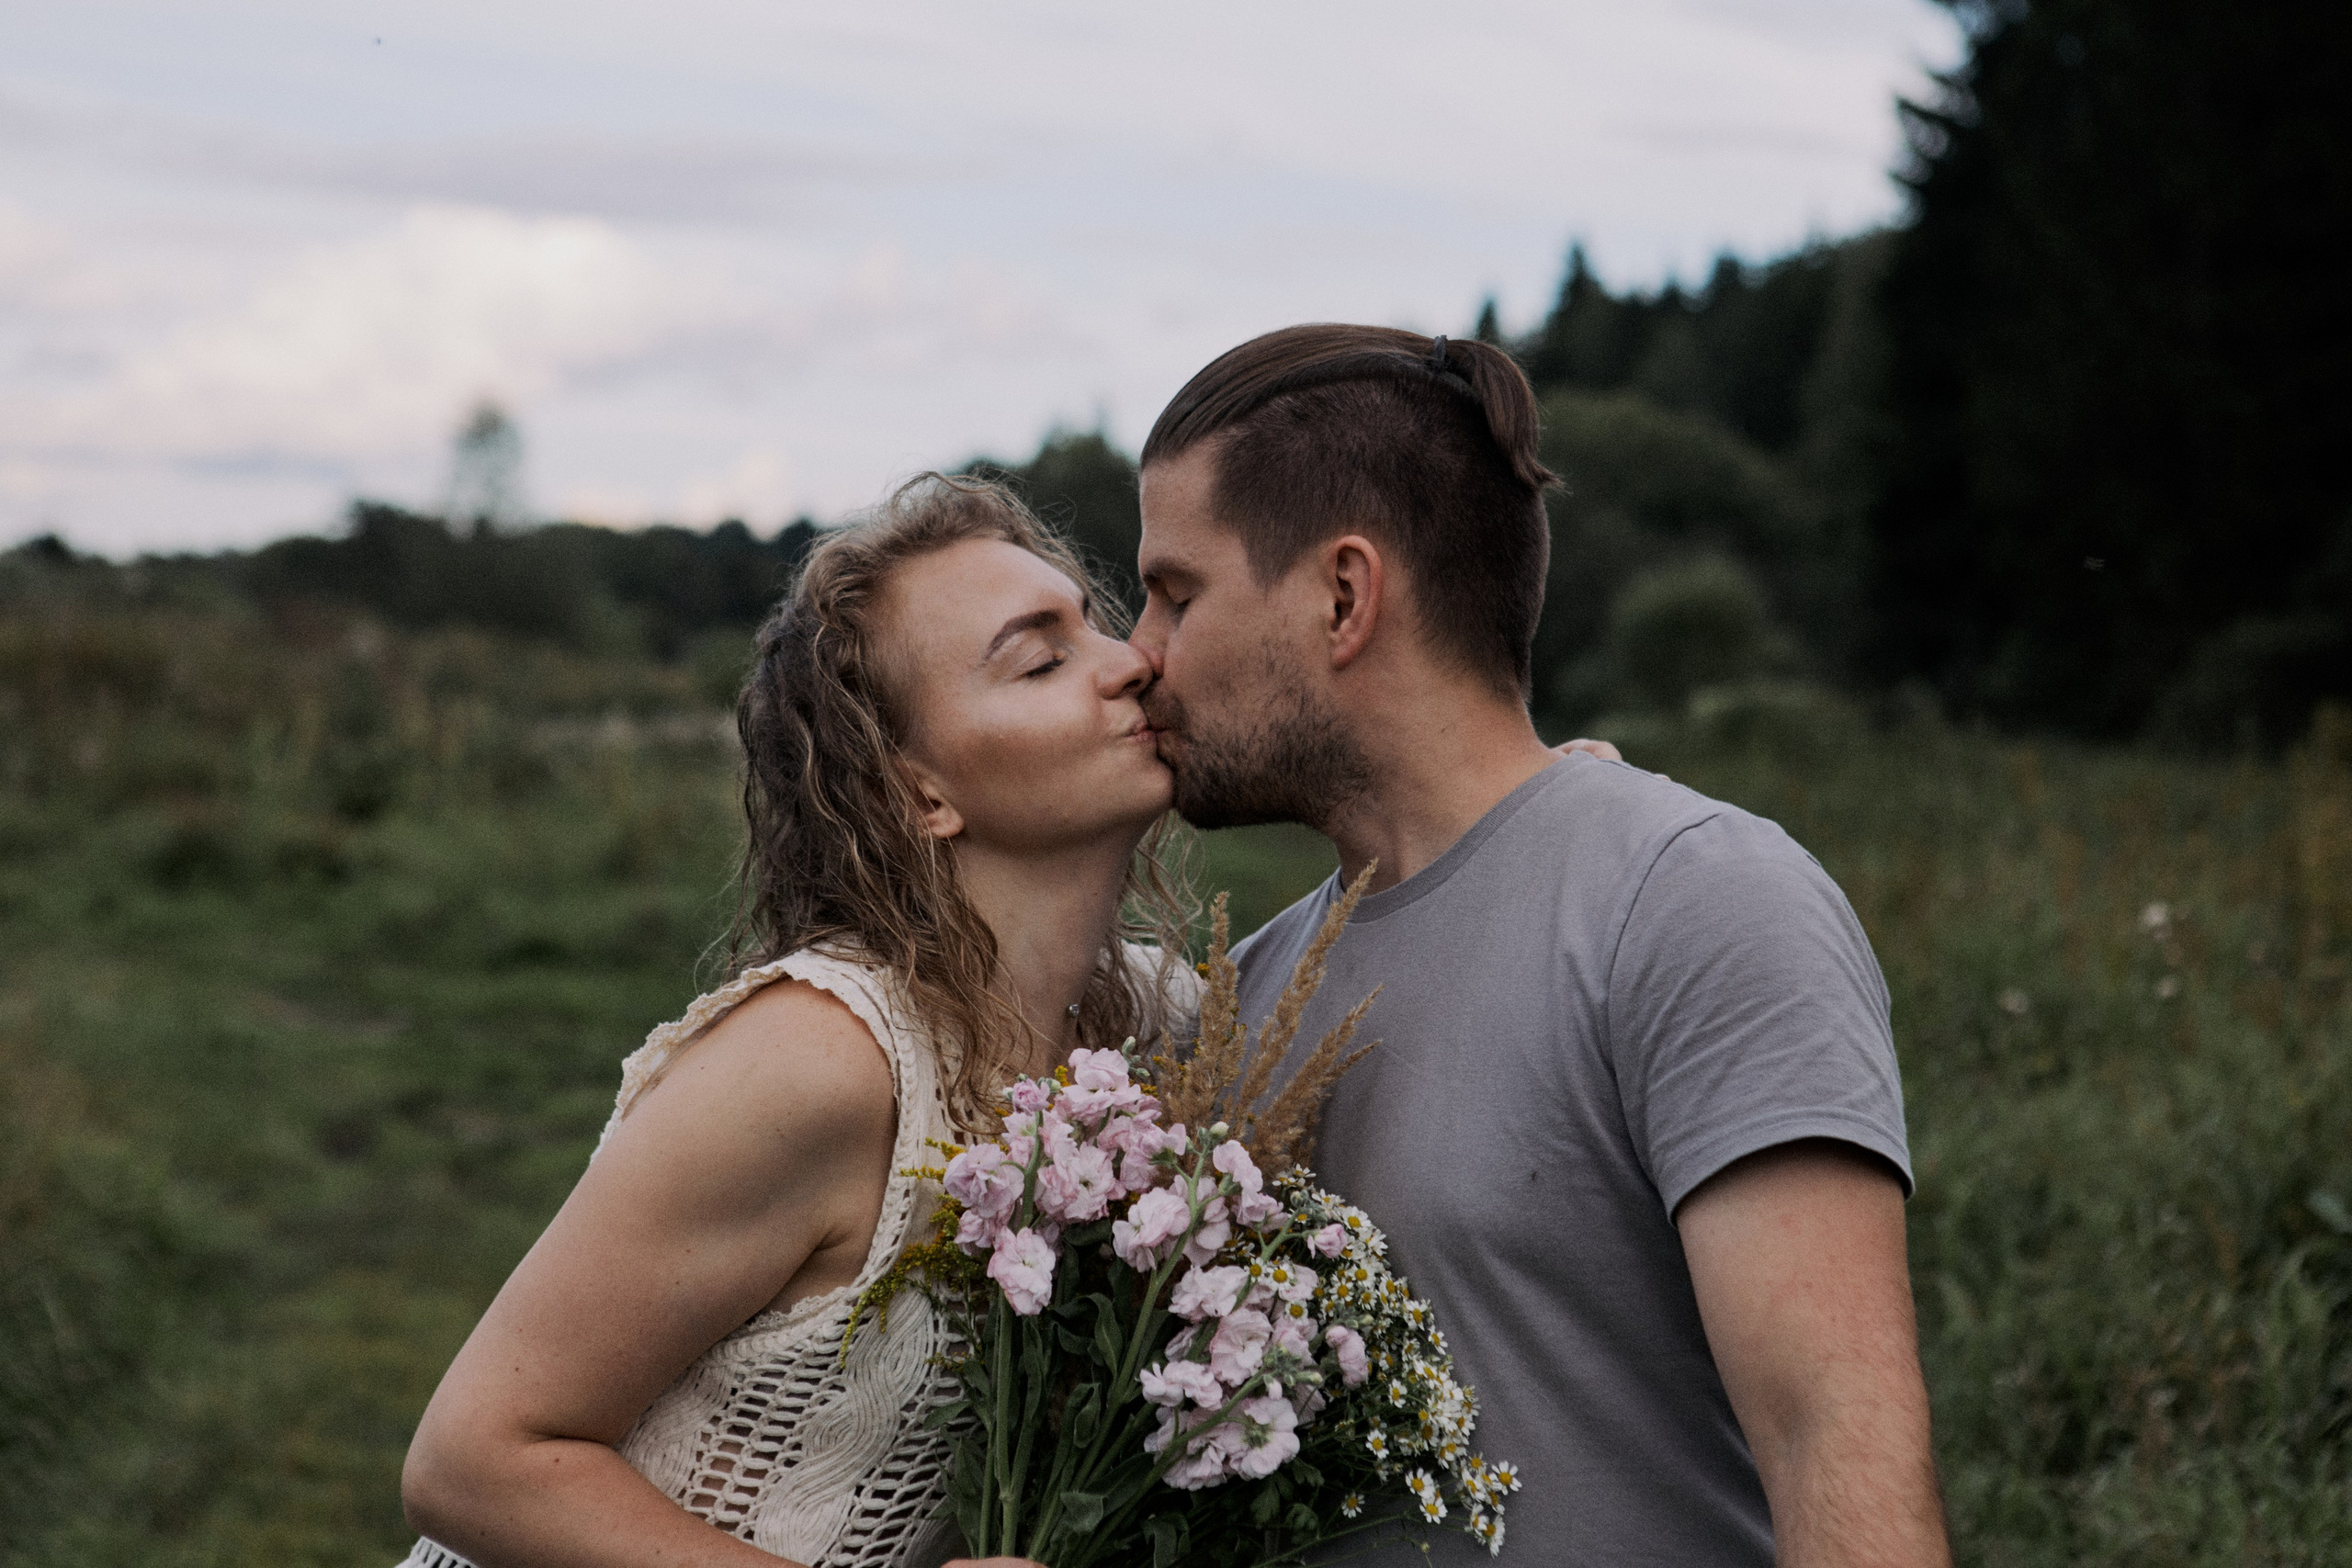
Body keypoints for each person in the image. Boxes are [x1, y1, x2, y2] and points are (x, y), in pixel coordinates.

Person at [1127, 324, 1951, 1566]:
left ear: (1343, 595)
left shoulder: (1695, 899)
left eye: (1175, 593)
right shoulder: (1243, 1004)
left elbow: (1831, 1439)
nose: (1138, 653)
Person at [396, 475, 1194, 1568]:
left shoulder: (1151, 1029)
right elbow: (471, 1463)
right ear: (920, 793)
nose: (1131, 662)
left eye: (1095, 626)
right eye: (1042, 659)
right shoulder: (827, 1058)